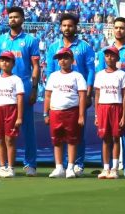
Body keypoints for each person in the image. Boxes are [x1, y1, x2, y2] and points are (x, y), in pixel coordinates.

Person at [0, 6, 40, 176]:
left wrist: (34, 88)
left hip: (24, 86)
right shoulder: (0, 40)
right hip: (3, 87)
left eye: (16, 17)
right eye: (10, 17)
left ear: (23, 19)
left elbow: (35, 66)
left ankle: (30, 164)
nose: (12, 19)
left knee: (26, 126)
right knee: (2, 130)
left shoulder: (30, 40)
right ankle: (4, 164)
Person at [45, 13, 95, 176]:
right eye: (64, 25)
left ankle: (77, 165)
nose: (67, 28)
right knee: (59, 136)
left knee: (76, 132)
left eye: (70, 25)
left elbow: (90, 70)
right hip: (59, 95)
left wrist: (88, 93)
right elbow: (50, 71)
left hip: (78, 96)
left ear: (76, 27)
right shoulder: (53, 47)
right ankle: (61, 166)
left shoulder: (84, 46)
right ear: (60, 27)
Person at [96, 17, 125, 178]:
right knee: (108, 135)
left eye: (122, 28)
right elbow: (100, 75)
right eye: (116, 27)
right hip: (108, 100)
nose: (118, 30)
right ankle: (107, 167)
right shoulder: (105, 51)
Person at [44, 48, 87, 179]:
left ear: (72, 60)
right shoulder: (53, 76)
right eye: (60, 58)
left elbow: (82, 96)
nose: (63, 60)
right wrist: (45, 113)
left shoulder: (77, 76)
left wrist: (80, 115)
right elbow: (47, 96)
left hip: (71, 112)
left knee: (72, 141)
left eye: (66, 58)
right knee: (56, 141)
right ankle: (59, 167)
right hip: (55, 112)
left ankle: (70, 167)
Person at [94, 46, 125, 179]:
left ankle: (115, 168)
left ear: (117, 58)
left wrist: (124, 116)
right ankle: (106, 168)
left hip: (116, 107)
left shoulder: (121, 74)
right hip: (103, 108)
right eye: (107, 55)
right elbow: (97, 95)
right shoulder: (100, 74)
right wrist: (97, 114)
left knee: (116, 138)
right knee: (105, 138)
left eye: (112, 55)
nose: (109, 58)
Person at [0, 51, 24, 178]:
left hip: (11, 110)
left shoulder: (16, 80)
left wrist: (19, 117)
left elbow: (19, 99)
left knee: (10, 139)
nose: (4, 62)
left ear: (13, 63)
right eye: (2, 60)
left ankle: (11, 168)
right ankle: (2, 167)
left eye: (8, 60)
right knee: (0, 139)